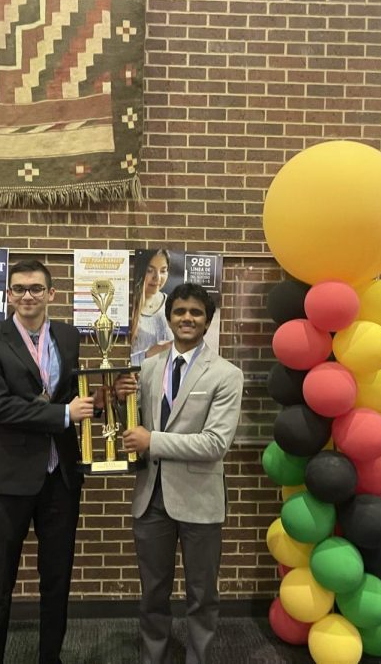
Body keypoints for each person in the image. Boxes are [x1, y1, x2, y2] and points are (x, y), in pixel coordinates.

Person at [0, 259, 101, 664]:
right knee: (0, 579)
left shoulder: (67, 336)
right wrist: (63, 415)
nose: (28, 296)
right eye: (19, 289)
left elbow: (71, 393)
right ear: (9, 294)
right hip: (9, 478)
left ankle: (51, 657)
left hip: (60, 475)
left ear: (51, 294)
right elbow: (0, 408)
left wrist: (107, 401)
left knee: (57, 578)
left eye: (36, 288)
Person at [115, 283, 244, 664]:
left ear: (207, 320)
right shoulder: (150, 367)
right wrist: (118, 401)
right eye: (180, 312)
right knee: (153, 591)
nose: (187, 318)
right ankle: (152, 657)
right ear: (169, 318)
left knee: (202, 594)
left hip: (200, 501)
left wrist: (151, 440)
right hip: (151, 499)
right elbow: (133, 431)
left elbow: (213, 444)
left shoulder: (226, 374)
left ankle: (198, 659)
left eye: (196, 313)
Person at [130, 249, 173, 366]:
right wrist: (148, 354)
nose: (157, 277)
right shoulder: (128, 307)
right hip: (136, 382)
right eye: (150, 271)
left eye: (163, 271)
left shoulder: (174, 305)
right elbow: (117, 362)